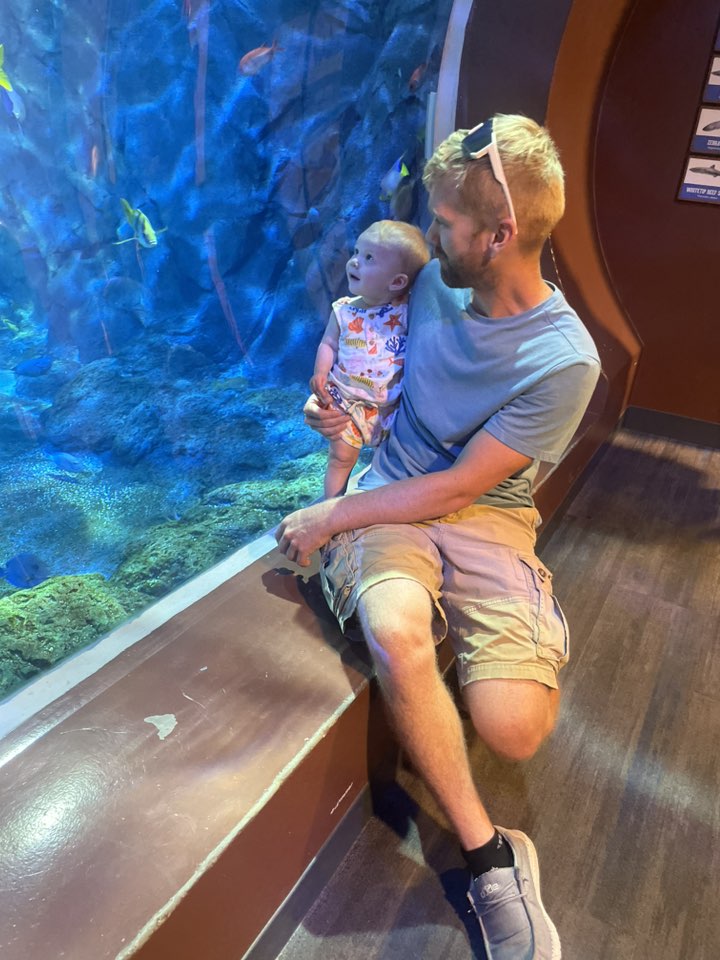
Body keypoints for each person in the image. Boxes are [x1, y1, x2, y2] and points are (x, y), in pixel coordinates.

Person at [276, 114, 601, 960]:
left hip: (486, 509)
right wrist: (335, 415)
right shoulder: (426, 282)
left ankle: (511, 616)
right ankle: (491, 858)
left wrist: (327, 515)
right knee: (393, 629)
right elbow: (360, 363)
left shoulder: (564, 361)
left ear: (499, 236)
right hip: (392, 489)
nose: (432, 236)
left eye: (448, 224)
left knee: (514, 729)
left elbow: (462, 486)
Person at [309, 220, 429, 498]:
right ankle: (332, 504)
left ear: (397, 281)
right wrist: (321, 372)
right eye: (356, 252)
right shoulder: (343, 310)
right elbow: (328, 343)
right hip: (347, 401)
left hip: (392, 407)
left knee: (390, 462)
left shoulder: (407, 311)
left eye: (369, 258)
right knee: (340, 458)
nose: (354, 262)